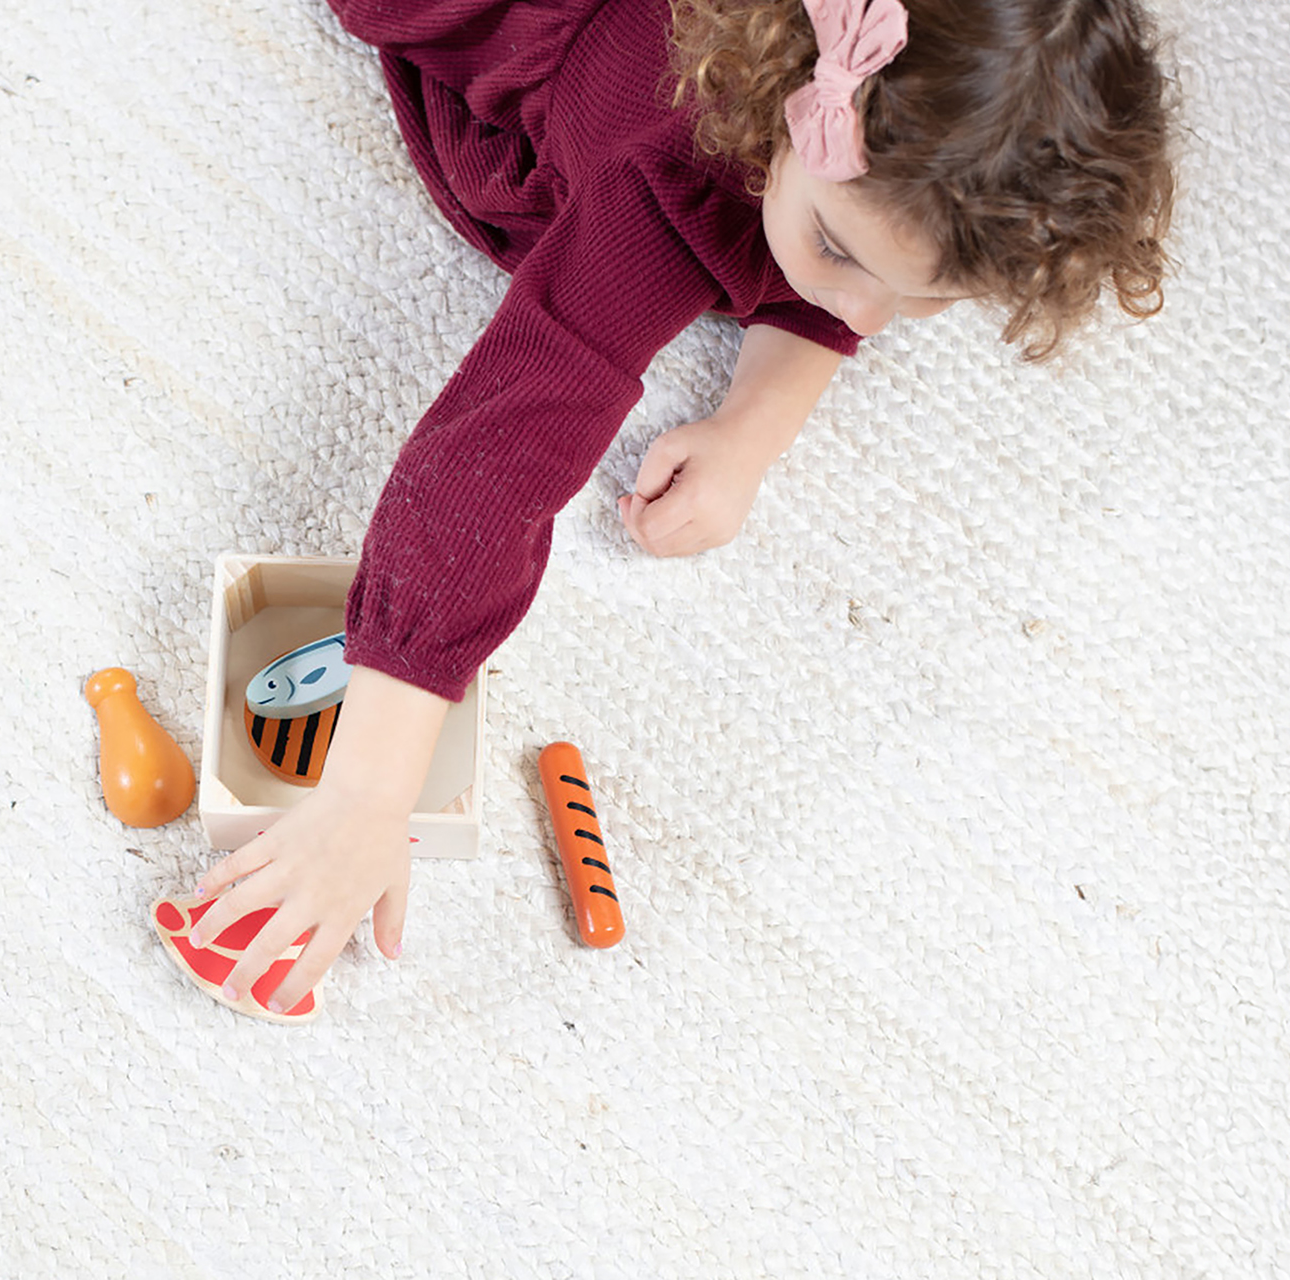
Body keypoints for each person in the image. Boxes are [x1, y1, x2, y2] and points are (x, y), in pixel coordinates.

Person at [185, 0, 1176, 1010]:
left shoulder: (893, 110)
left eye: (926, 297)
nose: (867, 316)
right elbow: (501, 446)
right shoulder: (662, 173)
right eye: (837, 251)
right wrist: (366, 791)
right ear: (783, 100)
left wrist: (755, 423)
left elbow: (835, 275)